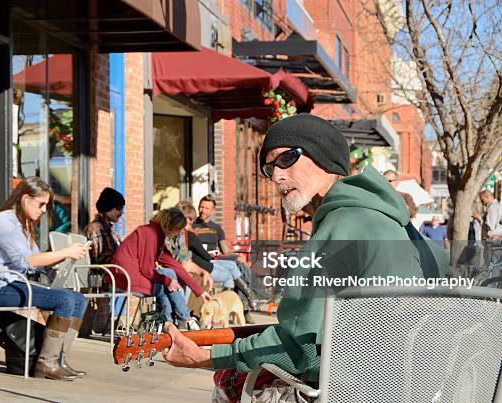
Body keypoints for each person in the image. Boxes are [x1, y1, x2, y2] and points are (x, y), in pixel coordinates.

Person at [161, 113, 451, 401]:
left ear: (324, 157)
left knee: (231, 385)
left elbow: (301, 348)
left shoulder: (342, 226)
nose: (276, 175)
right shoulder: (397, 225)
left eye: (286, 159)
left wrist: (207, 358)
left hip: (355, 388)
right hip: (418, 386)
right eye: (268, 167)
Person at [0, 177, 89, 381]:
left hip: (18, 282)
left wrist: (64, 259)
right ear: (25, 198)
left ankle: (58, 358)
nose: (45, 210)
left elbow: (36, 262)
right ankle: (46, 363)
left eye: (47, 205)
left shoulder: (25, 225)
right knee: (64, 299)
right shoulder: (4, 221)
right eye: (41, 204)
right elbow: (26, 261)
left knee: (79, 299)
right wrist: (65, 251)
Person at [112, 208, 212, 330]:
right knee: (164, 286)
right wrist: (167, 281)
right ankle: (179, 323)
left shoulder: (157, 233)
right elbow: (146, 269)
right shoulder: (150, 234)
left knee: (169, 273)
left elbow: (174, 264)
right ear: (172, 226)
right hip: (125, 277)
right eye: (179, 229)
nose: (180, 232)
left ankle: (177, 323)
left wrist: (200, 292)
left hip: (131, 274)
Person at [175, 201, 257, 311]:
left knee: (235, 264)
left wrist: (234, 254)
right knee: (232, 271)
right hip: (202, 262)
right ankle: (229, 305)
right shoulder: (190, 230)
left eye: (206, 208)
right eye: (201, 207)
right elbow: (188, 255)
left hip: (210, 259)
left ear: (213, 210)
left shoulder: (216, 228)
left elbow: (224, 250)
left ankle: (246, 298)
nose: (202, 210)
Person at [83, 187, 125, 334]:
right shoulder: (97, 228)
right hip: (102, 276)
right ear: (108, 208)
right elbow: (103, 258)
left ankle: (105, 322)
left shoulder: (109, 228)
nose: (121, 213)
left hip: (107, 274)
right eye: (118, 208)